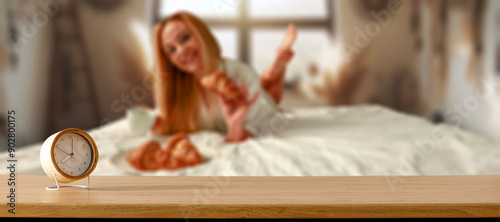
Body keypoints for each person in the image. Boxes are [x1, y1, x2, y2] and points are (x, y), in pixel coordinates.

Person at [150, 11, 297, 143]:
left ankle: (278, 65)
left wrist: (235, 126)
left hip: (262, 102)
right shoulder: (176, 89)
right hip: (253, 85)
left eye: (185, 38)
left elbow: (248, 135)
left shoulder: (240, 75)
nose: (181, 50)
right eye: (171, 50)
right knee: (262, 84)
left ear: (202, 34)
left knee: (271, 98)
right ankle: (267, 76)